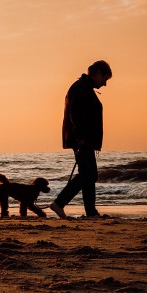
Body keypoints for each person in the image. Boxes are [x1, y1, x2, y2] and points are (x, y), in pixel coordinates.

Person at [48, 60, 112, 219]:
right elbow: (75, 114)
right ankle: (59, 203)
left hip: (84, 139)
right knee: (88, 175)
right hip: (82, 140)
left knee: (89, 175)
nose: (105, 84)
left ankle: (91, 212)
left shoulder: (84, 88)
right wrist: (81, 137)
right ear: (97, 73)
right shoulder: (81, 88)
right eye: (105, 79)